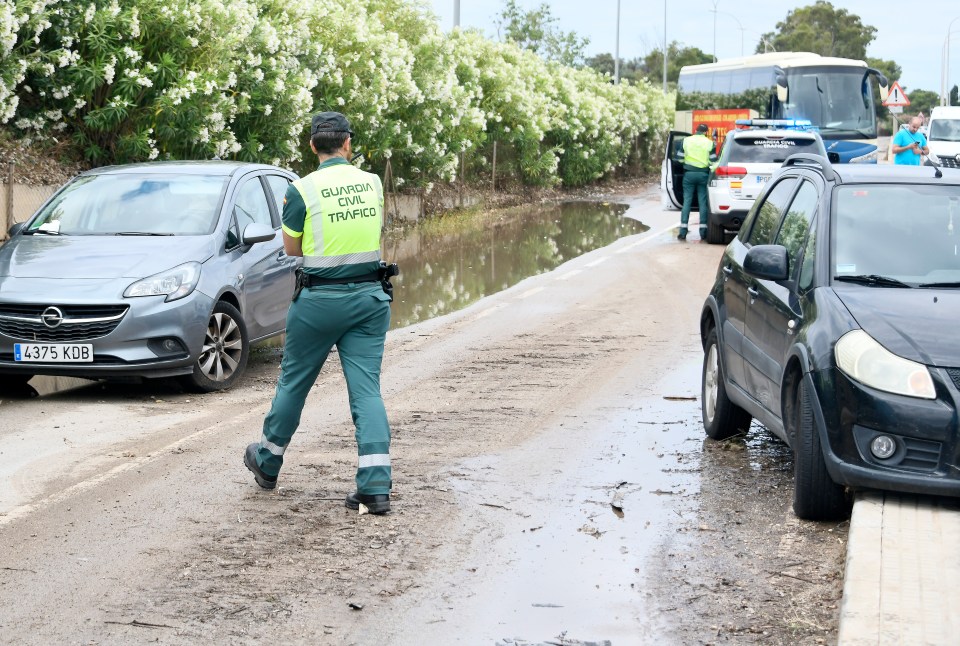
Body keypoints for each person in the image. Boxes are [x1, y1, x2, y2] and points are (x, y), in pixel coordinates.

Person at [244, 111, 395, 515]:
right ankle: (375, 487)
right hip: (368, 299)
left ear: (312, 146)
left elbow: (292, 250)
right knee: (366, 391)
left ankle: (268, 463)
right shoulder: (372, 183)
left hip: (318, 303)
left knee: (294, 384)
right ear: (348, 143)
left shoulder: (301, 190)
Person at [678, 123, 717, 241]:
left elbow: (679, 158)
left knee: (687, 202)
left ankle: (683, 231)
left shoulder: (686, 141)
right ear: (706, 132)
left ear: (696, 130)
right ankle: (703, 232)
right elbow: (713, 161)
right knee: (702, 203)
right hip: (703, 175)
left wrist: (687, 162)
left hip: (689, 174)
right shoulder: (709, 143)